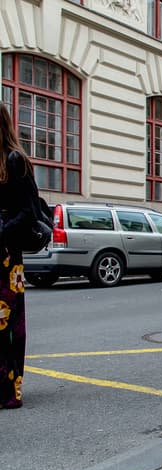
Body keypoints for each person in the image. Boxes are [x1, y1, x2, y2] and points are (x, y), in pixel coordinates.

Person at [0, 103, 38, 408]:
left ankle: (10, 390)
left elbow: (30, 212)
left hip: (7, 258)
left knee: (9, 325)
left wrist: (2, 232)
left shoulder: (16, 160)